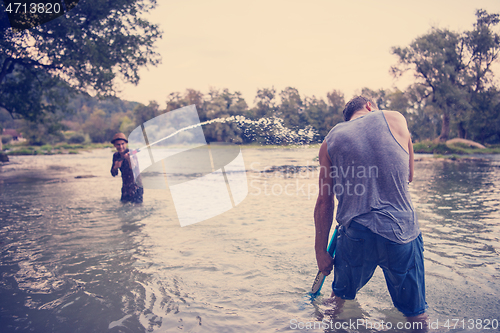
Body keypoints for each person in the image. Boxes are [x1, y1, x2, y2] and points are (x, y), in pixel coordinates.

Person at [314, 96, 427, 329]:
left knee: (338, 304)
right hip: (401, 232)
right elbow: (409, 176)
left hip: (356, 234)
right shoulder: (395, 117)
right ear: (369, 106)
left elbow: (325, 201)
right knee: (416, 316)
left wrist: (320, 251)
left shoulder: (329, 141)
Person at [110, 132, 143, 203]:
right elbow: (113, 174)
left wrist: (129, 160)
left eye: (122, 144)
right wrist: (115, 167)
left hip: (136, 187)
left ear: (126, 144)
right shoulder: (116, 156)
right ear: (115, 145)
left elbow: (133, 169)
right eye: (118, 144)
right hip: (125, 187)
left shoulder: (131, 153)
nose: (121, 146)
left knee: (137, 209)